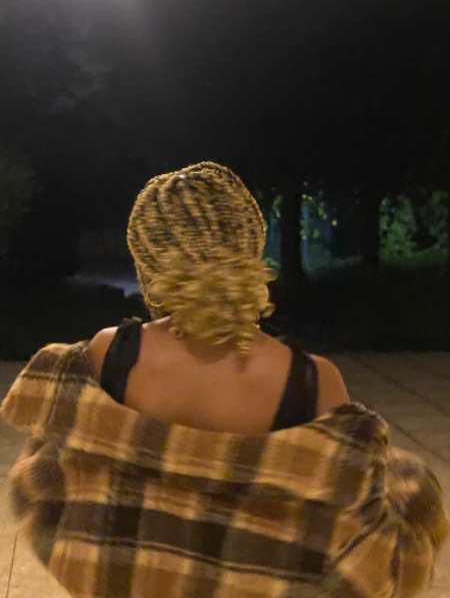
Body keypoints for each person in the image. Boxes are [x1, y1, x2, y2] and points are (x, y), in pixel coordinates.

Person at [1, 162, 448, 598]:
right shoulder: (311, 380)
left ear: (148, 257)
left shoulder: (111, 355)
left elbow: (47, 488)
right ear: (250, 246)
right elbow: (354, 536)